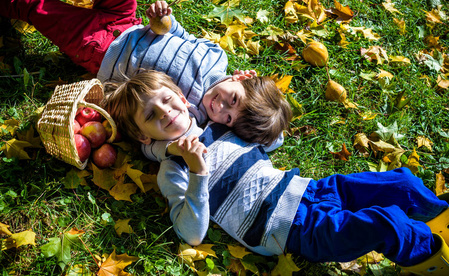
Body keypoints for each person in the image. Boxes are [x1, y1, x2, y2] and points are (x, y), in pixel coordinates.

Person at [103, 68, 449, 275]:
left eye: (166, 99)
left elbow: (273, 142)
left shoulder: (221, 124)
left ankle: (441, 218)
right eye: (150, 115)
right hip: (291, 229)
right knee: (385, 222)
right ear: (144, 135)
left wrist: (251, 97)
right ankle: (431, 259)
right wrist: (198, 173)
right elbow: (191, 233)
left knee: (401, 183)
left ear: (181, 95)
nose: (164, 111)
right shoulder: (173, 169)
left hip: (311, 189)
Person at [0, 0, 291, 147]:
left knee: (30, 6)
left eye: (227, 118)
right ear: (241, 78)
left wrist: (268, 127)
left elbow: (267, 143)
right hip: (127, 21)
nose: (220, 107)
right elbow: (180, 34)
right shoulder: (217, 56)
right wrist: (164, 20)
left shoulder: (192, 116)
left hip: (99, 48)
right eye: (234, 100)